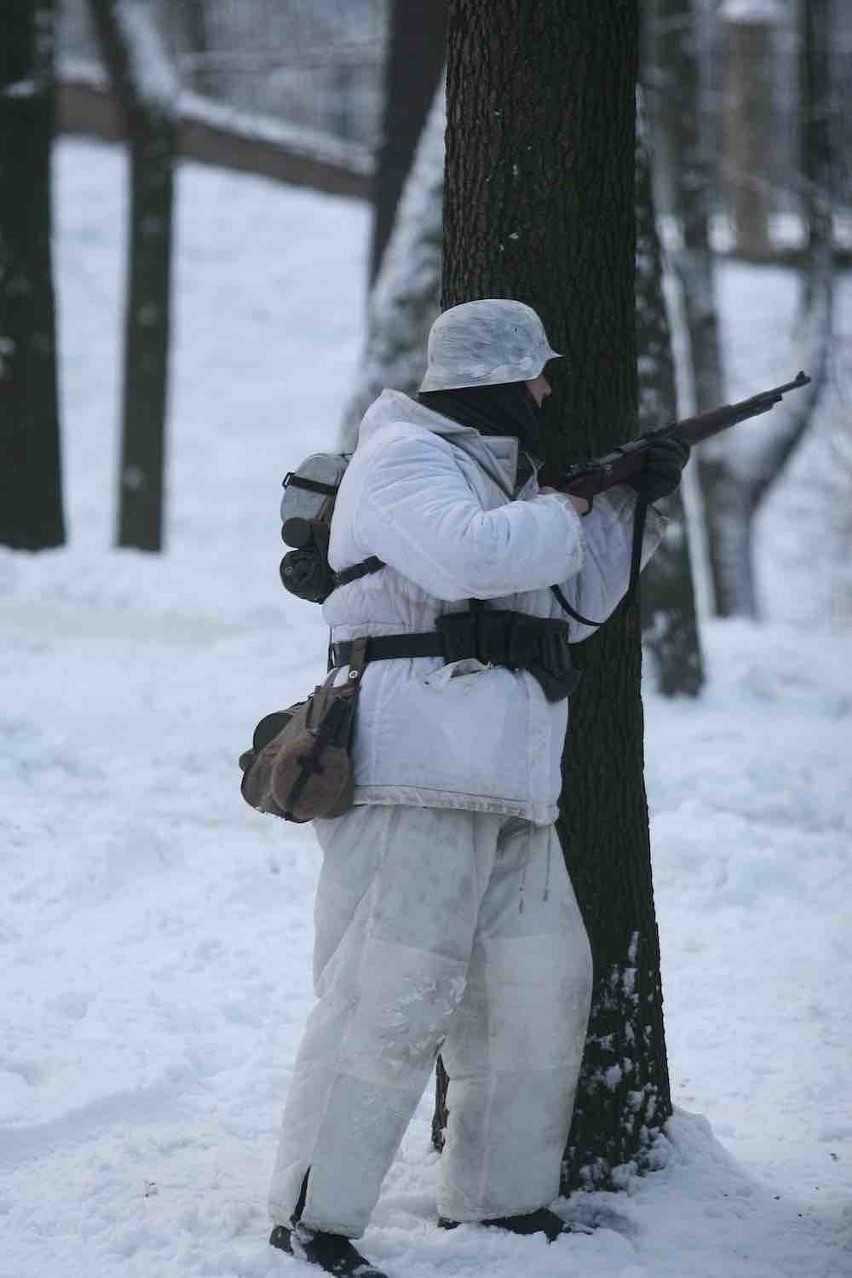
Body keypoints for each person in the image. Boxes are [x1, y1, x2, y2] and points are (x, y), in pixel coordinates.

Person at [266, 299, 688, 1277]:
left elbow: (574, 605)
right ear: (495, 374)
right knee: (387, 998)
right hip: (414, 778)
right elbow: (475, 554)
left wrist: (636, 505)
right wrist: (573, 505)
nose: (546, 390)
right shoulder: (403, 458)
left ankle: (499, 1203)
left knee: (537, 996)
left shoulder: (512, 483)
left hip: (514, 789)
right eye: (537, 373)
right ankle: (309, 1217)